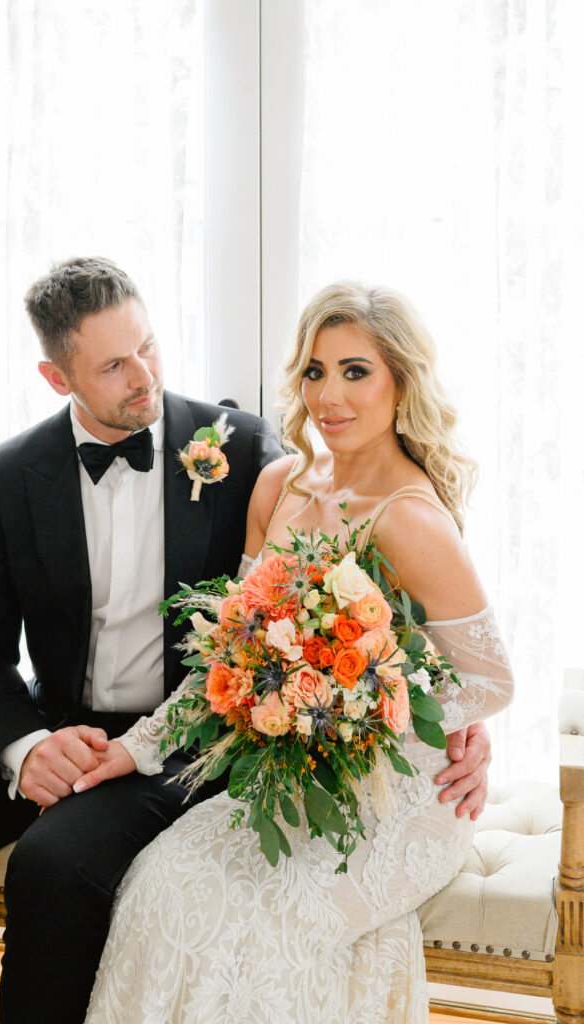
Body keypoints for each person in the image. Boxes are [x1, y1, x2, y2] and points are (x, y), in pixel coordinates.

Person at [0, 262, 489, 1023]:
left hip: (183, 735)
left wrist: (460, 722)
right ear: (57, 377)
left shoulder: (243, 451)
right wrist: (25, 746)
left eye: (147, 344)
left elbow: (365, 583)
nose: (144, 373)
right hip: (48, 722)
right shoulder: (11, 472)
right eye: (114, 364)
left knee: (54, 867)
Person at [79, 280, 514, 1024]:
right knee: (161, 884)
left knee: (272, 934)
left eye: (356, 370)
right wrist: (136, 748)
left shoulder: (408, 519)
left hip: (401, 791)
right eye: (315, 370)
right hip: (296, 772)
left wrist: (359, 713)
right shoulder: (278, 484)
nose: (329, 396)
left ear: (400, 382)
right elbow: (231, 653)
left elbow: (491, 680)